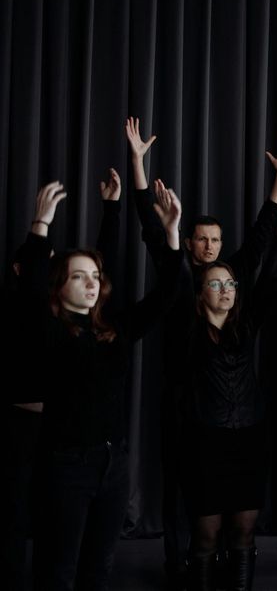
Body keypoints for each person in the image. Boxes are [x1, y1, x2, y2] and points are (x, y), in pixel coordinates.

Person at [125, 117, 277, 588]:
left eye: (216, 242)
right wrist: (140, 167)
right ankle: (178, 563)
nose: (209, 249)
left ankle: (224, 566)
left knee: (237, 522)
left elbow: (264, 244)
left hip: (238, 422)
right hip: (190, 411)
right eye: (201, 241)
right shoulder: (178, 279)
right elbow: (150, 226)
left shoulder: (234, 285)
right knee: (187, 502)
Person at [21, 177, 182, 591]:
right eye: (79, 277)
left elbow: (171, 292)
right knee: (56, 572)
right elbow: (31, 293)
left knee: (99, 570)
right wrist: (41, 225)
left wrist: (172, 233)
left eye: (94, 276)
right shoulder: (52, 334)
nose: (92, 283)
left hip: (113, 466)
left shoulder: (115, 330)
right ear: (60, 286)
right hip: (64, 467)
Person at [178, 182, 277, 591]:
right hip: (205, 441)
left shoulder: (245, 326)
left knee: (244, 534)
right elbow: (171, 270)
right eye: (216, 284)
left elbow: (271, 280)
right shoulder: (189, 330)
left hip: (249, 438)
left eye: (230, 284)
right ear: (200, 293)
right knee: (207, 535)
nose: (226, 290)